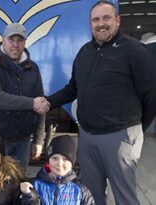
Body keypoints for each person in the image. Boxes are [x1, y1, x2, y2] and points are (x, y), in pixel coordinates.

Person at [47, 1, 156, 204]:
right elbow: (73, 88)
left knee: (125, 197)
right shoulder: (84, 53)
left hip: (119, 138)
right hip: (88, 137)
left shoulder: (134, 51)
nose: (101, 24)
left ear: (117, 20)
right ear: (90, 24)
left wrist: (135, 128)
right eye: (96, 20)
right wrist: (48, 102)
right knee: (91, 195)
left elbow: (151, 95)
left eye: (106, 18)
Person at [0, 23, 50, 168]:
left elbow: (40, 105)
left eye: (20, 40)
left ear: (25, 42)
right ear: (3, 39)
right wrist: (32, 103)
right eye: (11, 40)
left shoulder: (32, 68)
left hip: (23, 143)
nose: (15, 45)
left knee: (18, 185)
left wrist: (38, 140)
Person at [20, 135, 95, 205]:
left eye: (65, 159)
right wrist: (28, 197)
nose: (59, 164)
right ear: (48, 160)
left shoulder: (81, 190)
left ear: (73, 163)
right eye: (55, 158)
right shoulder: (33, 185)